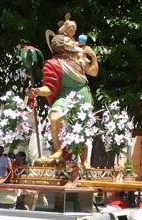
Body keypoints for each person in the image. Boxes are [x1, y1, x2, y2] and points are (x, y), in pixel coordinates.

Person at [28, 14, 99, 162]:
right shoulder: (53, 64)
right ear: (62, 46)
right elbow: (50, 88)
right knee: (54, 116)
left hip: (81, 93)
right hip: (65, 94)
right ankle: (59, 151)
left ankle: (85, 161)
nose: (74, 43)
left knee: (81, 125)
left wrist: (93, 57)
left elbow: (93, 72)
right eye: (69, 41)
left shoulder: (79, 59)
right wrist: (37, 91)